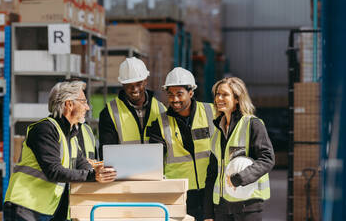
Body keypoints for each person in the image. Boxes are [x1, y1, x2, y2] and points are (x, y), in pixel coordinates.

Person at [4, 81, 117, 221]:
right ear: (69, 104)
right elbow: (54, 171)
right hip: (25, 207)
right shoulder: (45, 130)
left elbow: (83, 165)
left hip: (44, 208)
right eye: (83, 102)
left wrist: (102, 171)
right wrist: (92, 176)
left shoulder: (71, 135)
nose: (87, 107)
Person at [148, 67, 217, 221]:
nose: (175, 99)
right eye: (170, 94)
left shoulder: (211, 113)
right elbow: (154, 161)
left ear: (191, 93)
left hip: (211, 190)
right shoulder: (160, 123)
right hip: (180, 193)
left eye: (180, 94)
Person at [203, 77, 275, 221]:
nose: (219, 98)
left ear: (237, 98)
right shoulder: (217, 131)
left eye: (225, 94)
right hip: (222, 206)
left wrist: (240, 178)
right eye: (217, 94)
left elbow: (267, 159)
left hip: (247, 205)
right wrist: (208, 213)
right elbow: (212, 173)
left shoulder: (252, 124)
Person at [98, 57, 166, 159]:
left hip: (155, 173)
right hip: (124, 174)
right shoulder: (109, 112)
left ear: (145, 81)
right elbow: (106, 154)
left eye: (139, 83)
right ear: (122, 84)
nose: (135, 89)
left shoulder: (161, 109)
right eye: (129, 85)